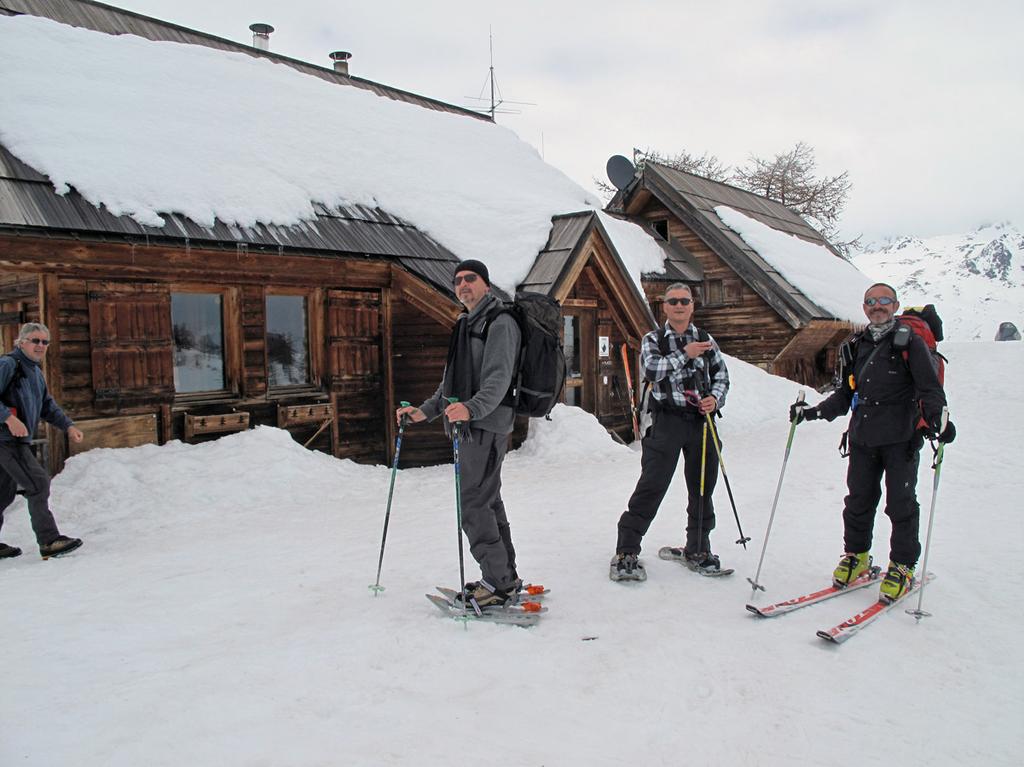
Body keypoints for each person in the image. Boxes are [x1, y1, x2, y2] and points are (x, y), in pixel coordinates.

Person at [791, 282, 954, 601]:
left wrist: (939, 422)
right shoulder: (856, 344)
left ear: (894, 305)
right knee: (858, 500)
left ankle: (903, 565)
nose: (876, 306)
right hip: (863, 435)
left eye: (883, 301)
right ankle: (857, 556)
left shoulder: (909, 343)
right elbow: (845, 394)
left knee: (900, 505)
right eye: (870, 302)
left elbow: (929, 389)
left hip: (901, 437)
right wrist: (812, 413)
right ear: (864, 307)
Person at [396, 260, 522, 609]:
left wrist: (471, 408)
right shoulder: (466, 323)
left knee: (474, 503)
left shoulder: (500, 323)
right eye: (458, 281)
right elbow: (450, 384)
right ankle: (504, 577)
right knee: (487, 501)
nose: (463, 285)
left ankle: (497, 583)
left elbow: (499, 379)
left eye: (471, 278)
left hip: (485, 426)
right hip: (471, 426)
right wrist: (424, 411)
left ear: (486, 284)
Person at [612, 282, 730, 580]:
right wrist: (686, 354)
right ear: (664, 306)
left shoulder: (706, 339)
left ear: (692, 306)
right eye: (673, 301)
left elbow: (722, 376)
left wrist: (714, 399)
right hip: (666, 420)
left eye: (684, 301)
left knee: (703, 487)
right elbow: (652, 371)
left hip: (701, 422)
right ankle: (627, 550)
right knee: (652, 484)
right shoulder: (654, 339)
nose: (679, 306)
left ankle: (698, 548)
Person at [1, 323, 84, 559]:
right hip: (6, 439)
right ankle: (49, 541)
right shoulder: (8, 364)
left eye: (44, 342)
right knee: (38, 483)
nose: (40, 346)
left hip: (14, 440)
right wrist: (7, 418)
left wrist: (68, 425)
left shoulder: (35, 372)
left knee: (2, 493)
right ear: (21, 342)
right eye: (35, 340)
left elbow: (47, 406)